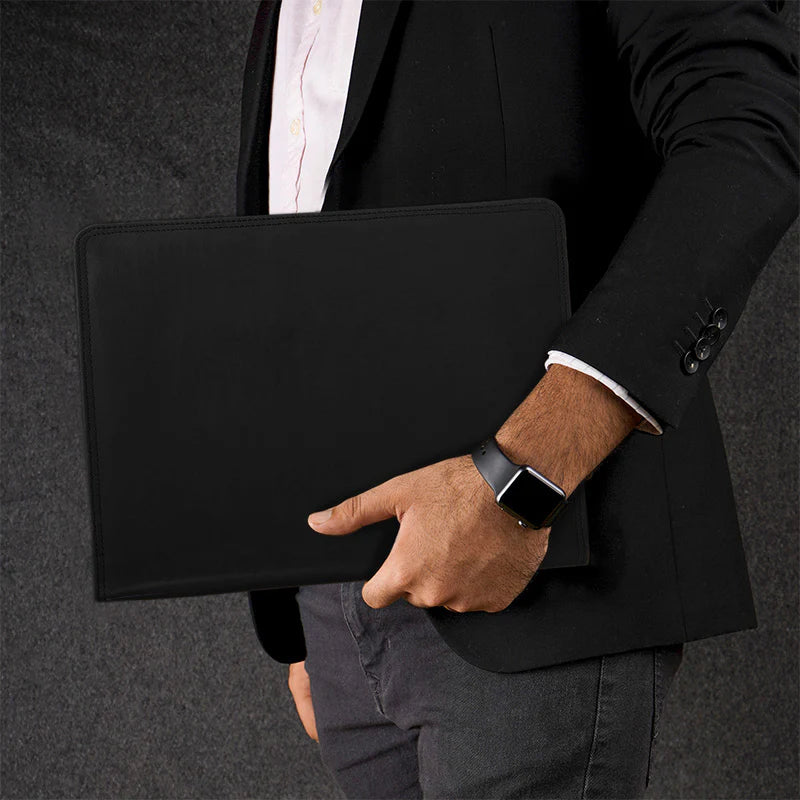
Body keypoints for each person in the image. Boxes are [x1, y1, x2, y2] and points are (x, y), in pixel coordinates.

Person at [236, 1, 799, 797]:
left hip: (534, 564)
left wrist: (520, 481)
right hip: (336, 602)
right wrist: (301, 606)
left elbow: (746, 128)